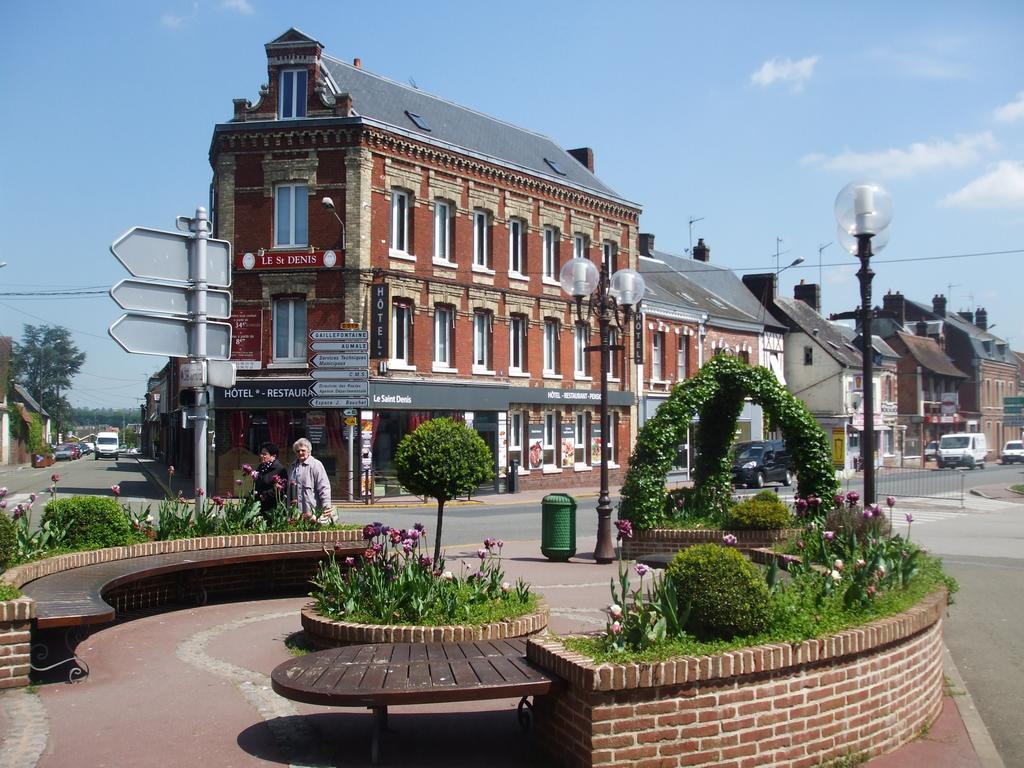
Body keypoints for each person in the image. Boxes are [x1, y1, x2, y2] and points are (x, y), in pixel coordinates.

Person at [288, 437, 332, 515]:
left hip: (311, 511)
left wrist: (326, 505)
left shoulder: (316, 465)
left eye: (303, 450)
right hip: (295, 512)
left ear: (308, 451)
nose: (300, 452)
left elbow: (324, 486)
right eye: (298, 451)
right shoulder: (293, 466)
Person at [252, 442, 288, 513]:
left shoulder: (280, 469)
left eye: (264, 454)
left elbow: (282, 488)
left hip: (273, 508)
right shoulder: (261, 468)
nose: (261, 456)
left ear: (273, 456)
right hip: (259, 507)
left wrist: (265, 495)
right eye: (261, 453)